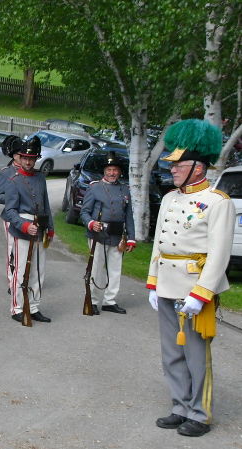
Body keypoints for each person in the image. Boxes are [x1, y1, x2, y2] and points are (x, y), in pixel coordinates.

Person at [147, 119, 233, 437]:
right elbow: (158, 243)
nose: (173, 168)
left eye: (179, 164)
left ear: (198, 167)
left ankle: (200, 412)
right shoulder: (170, 198)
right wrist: (153, 282)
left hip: (194, 288)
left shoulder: (217, 201)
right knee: (171, 351)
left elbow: (219, 253)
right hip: (168, 284)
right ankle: (179, 406)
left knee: (196, 353)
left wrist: (202, 293)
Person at [3, 136, 54, 323]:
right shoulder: (13, 180)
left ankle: (33, 306)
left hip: (40, 226)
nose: (28, 161)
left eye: (31, 159)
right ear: (20, 158)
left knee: (39, 270)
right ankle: (17, 307)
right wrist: (24, 225)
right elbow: (10, 211)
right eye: (25, 158)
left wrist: (50, 228)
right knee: (21, 269)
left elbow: (46, 204)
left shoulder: (40, 178)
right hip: (22, 228)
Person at [79, 151, 136, 315]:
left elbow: (129, 216)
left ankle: (110, 301)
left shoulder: (125, 189)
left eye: (115, 170)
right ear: (104, 171)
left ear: (119, 172)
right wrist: (91, 223)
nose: (112, 173)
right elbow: (84, 212)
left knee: (115, 269)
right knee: (96, 269)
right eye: (109, 170)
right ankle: (93, 301)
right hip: (99, 234)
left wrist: (131, 238)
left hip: (118, 235)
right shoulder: (95, 187)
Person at [0, 135, 21, 285]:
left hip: (28, 217)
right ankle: (12, 280)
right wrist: (15, 199)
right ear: (13, 155)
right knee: (12, 249)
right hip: (10, 217)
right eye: (20, 155)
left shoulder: (32, 173)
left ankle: (22, 277)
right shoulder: (5, 172)